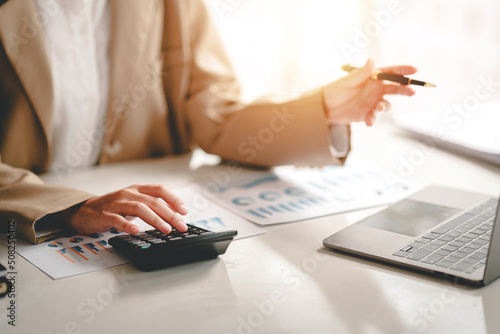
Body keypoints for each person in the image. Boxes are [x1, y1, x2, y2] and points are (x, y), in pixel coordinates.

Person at [0, 0, 416, 244]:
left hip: (133, 244)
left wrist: (324, 109)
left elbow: (217, 115)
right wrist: (67, 206)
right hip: (27, 239)